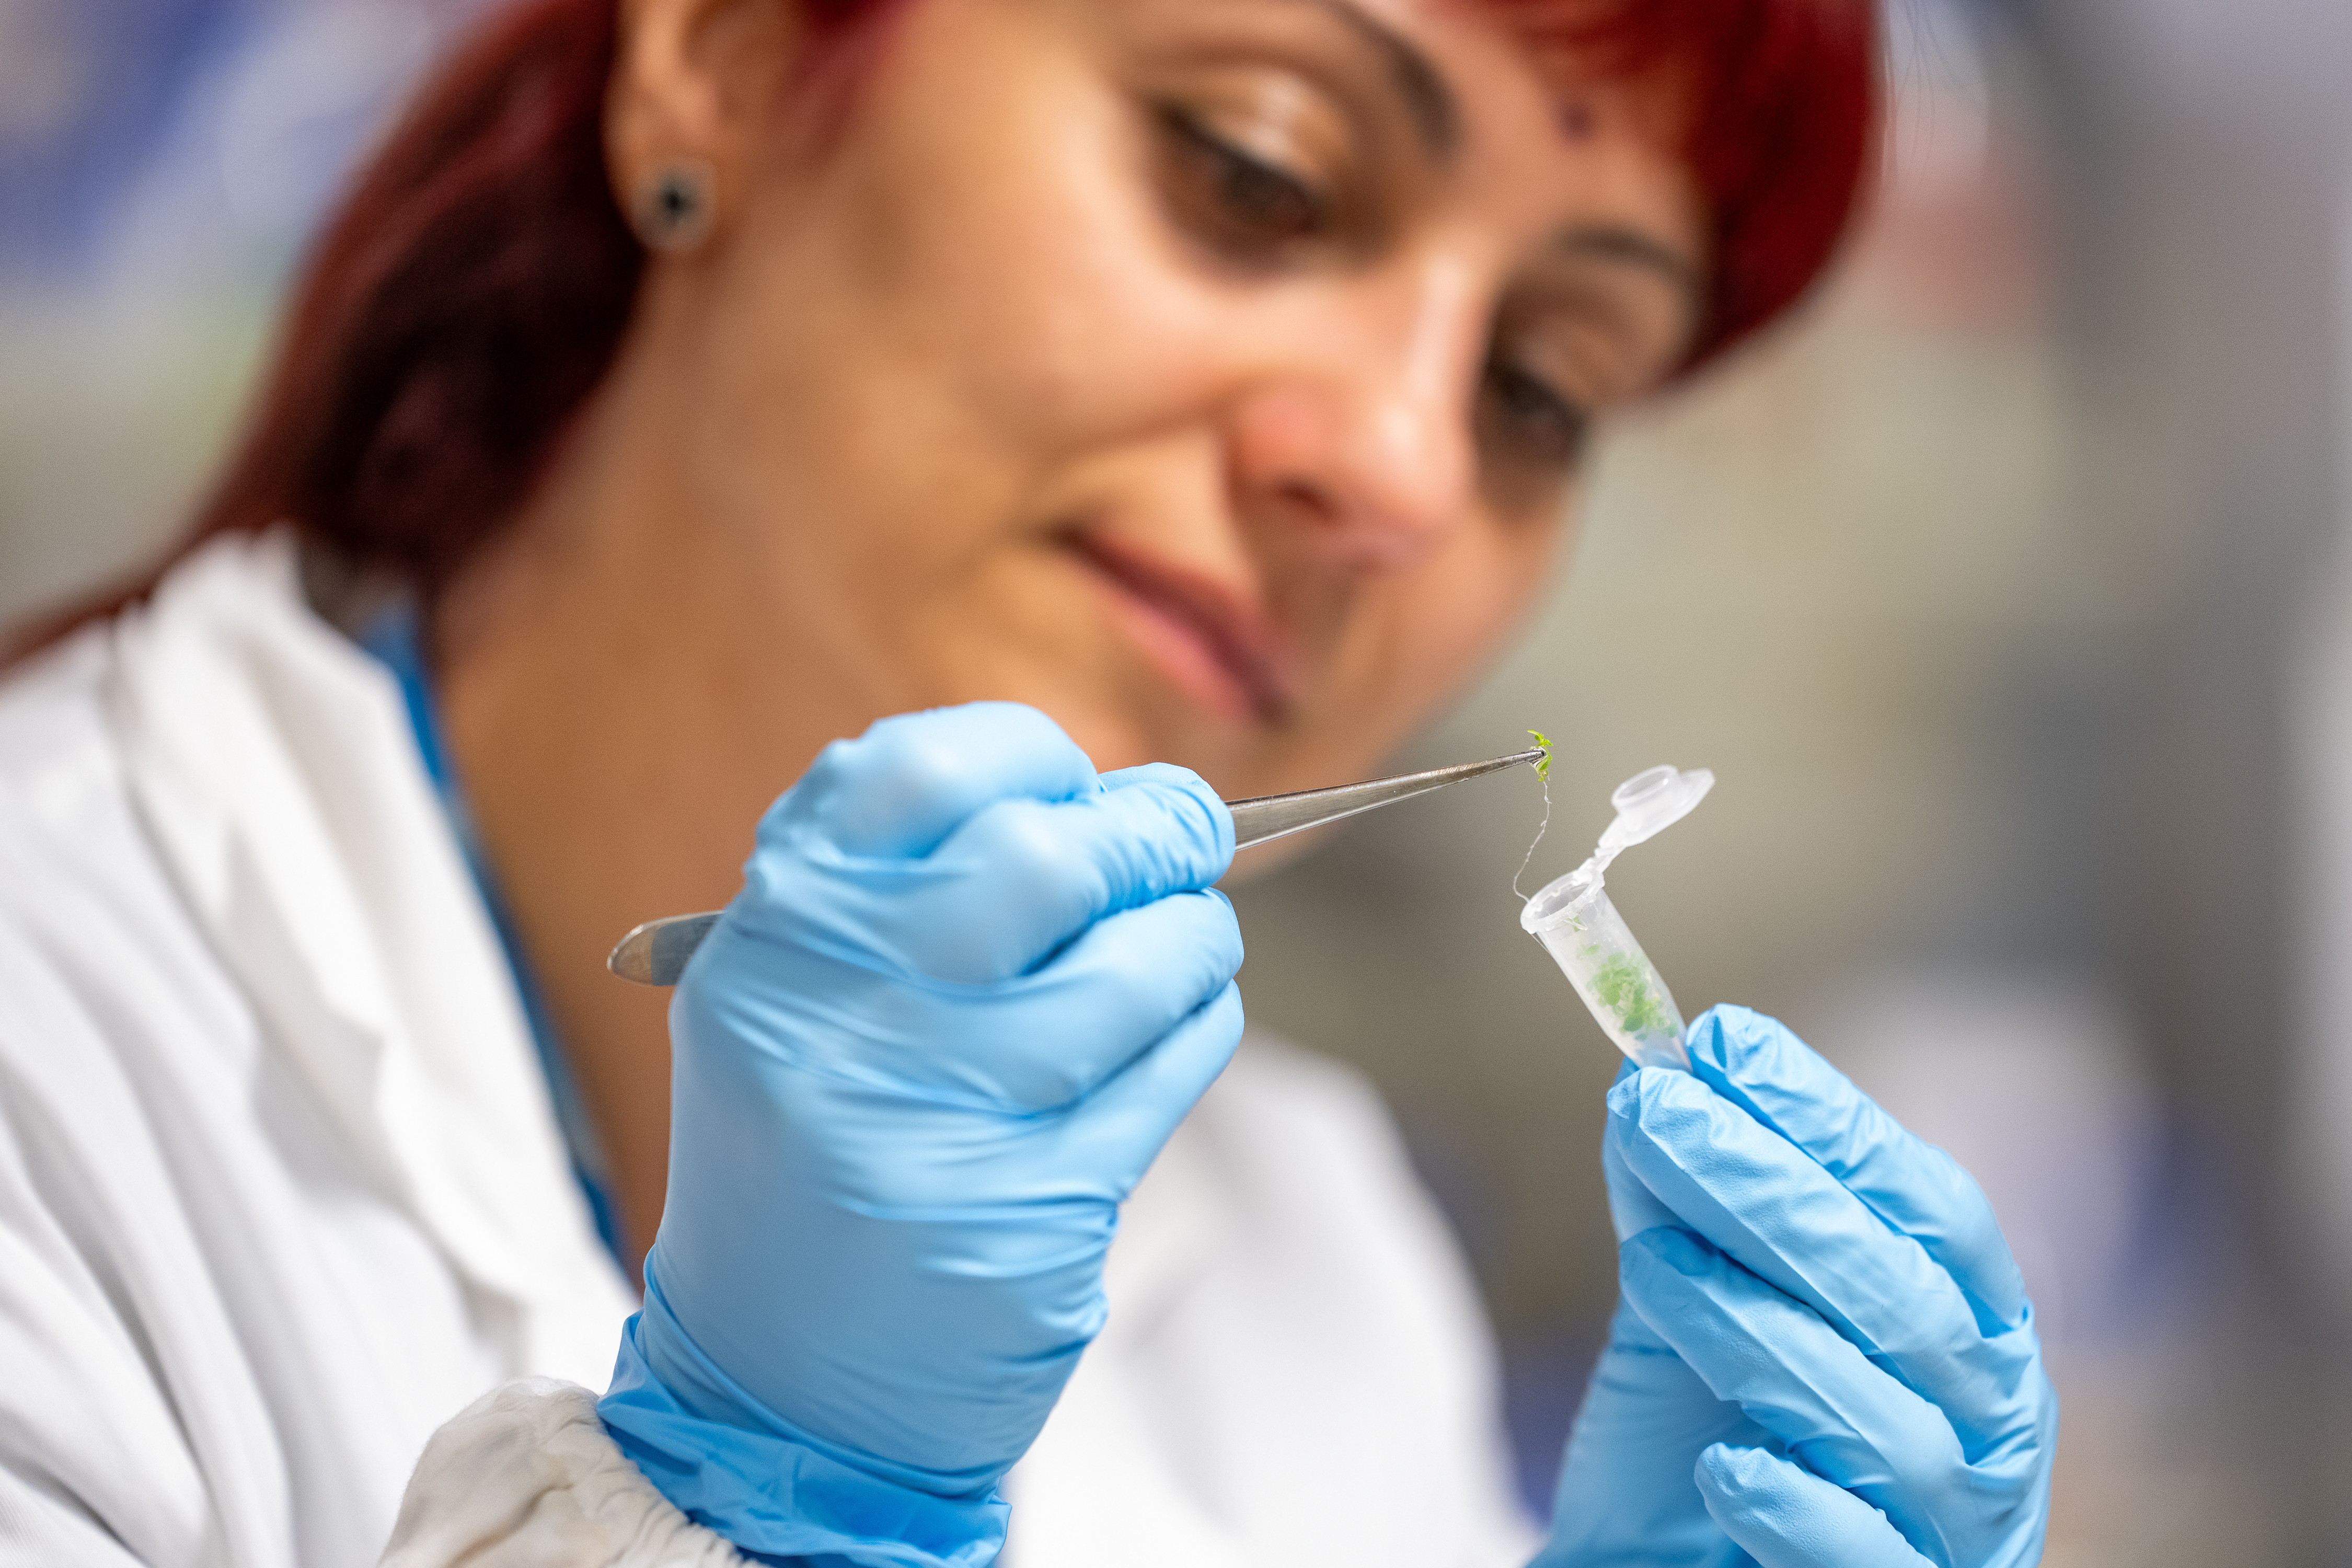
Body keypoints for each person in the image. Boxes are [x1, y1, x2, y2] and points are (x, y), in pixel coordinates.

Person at [0, 0, 2056, 1564]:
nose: (1404, 473)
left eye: (1541, 386)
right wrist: (747, 1493)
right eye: (1258, 171)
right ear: (723, 54)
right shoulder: (60, 1048)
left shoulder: (1308, 1262)